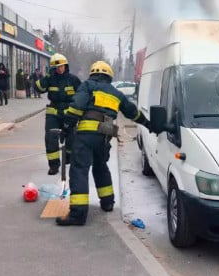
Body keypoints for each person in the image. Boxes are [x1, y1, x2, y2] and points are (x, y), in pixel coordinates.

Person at [56, 61, 153, 226]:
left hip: (86, 136)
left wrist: (66, 126)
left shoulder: (87, 86)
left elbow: (76, 107)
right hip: (104, 138)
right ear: (109, 76)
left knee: (79, 170)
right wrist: (150, 125)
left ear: (93, 74)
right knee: (101, 167)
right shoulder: (116, 93)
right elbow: (133, 113)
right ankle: (107, 202)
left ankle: (78, 214)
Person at [35, 53, 82, 175]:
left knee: (72, 138)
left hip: (69, 114)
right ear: (53, 68)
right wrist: (47, 77)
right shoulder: (50, 78)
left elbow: (82, 95)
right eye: (57, 67)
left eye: (62, 66)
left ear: (66, 66)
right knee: (50, 139)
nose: (60, 69)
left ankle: (68, 157)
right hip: (53, 113)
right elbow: (38, 88)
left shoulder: (73, 79)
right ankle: (54, 165)